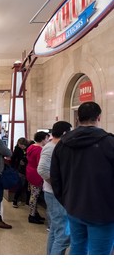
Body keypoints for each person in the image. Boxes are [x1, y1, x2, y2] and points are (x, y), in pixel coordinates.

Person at [51, 101, 114, 255]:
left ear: (77, 118)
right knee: (99, 255)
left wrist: (67, 202)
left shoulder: (62, 144)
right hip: (103, 212)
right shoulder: (109, 142)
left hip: (74, 208)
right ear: (99, 117)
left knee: (78, 248)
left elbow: (55, 177)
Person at [37, 121, 72, 255]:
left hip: (53, 193)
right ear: (64, 133)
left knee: (55, 230)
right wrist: (58, 186)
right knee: (63, 235)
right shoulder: (51, 147)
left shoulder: (56, 146)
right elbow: (42, 169)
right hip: (54, 194)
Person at [26, 131, 49, 224]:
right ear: (43, 139)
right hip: (36, 174)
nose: (47, 140)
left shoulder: (31, 147)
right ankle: (32, 215)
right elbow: (41, 164)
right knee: (34, 195)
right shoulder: (40, 150)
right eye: (47, 138)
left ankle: (34, 213)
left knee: (33, 194)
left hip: (30, 171)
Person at [10, 137, 30, 208]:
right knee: (20, 185)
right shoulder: (17, 149)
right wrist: (13, 168)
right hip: (21, 170)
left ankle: (27, 201)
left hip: (28, 169)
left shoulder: (29, 148)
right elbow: (13, 158)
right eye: (19, 145)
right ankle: (15, 200)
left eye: (21, 145)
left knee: (28, 186)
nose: (20, 146)